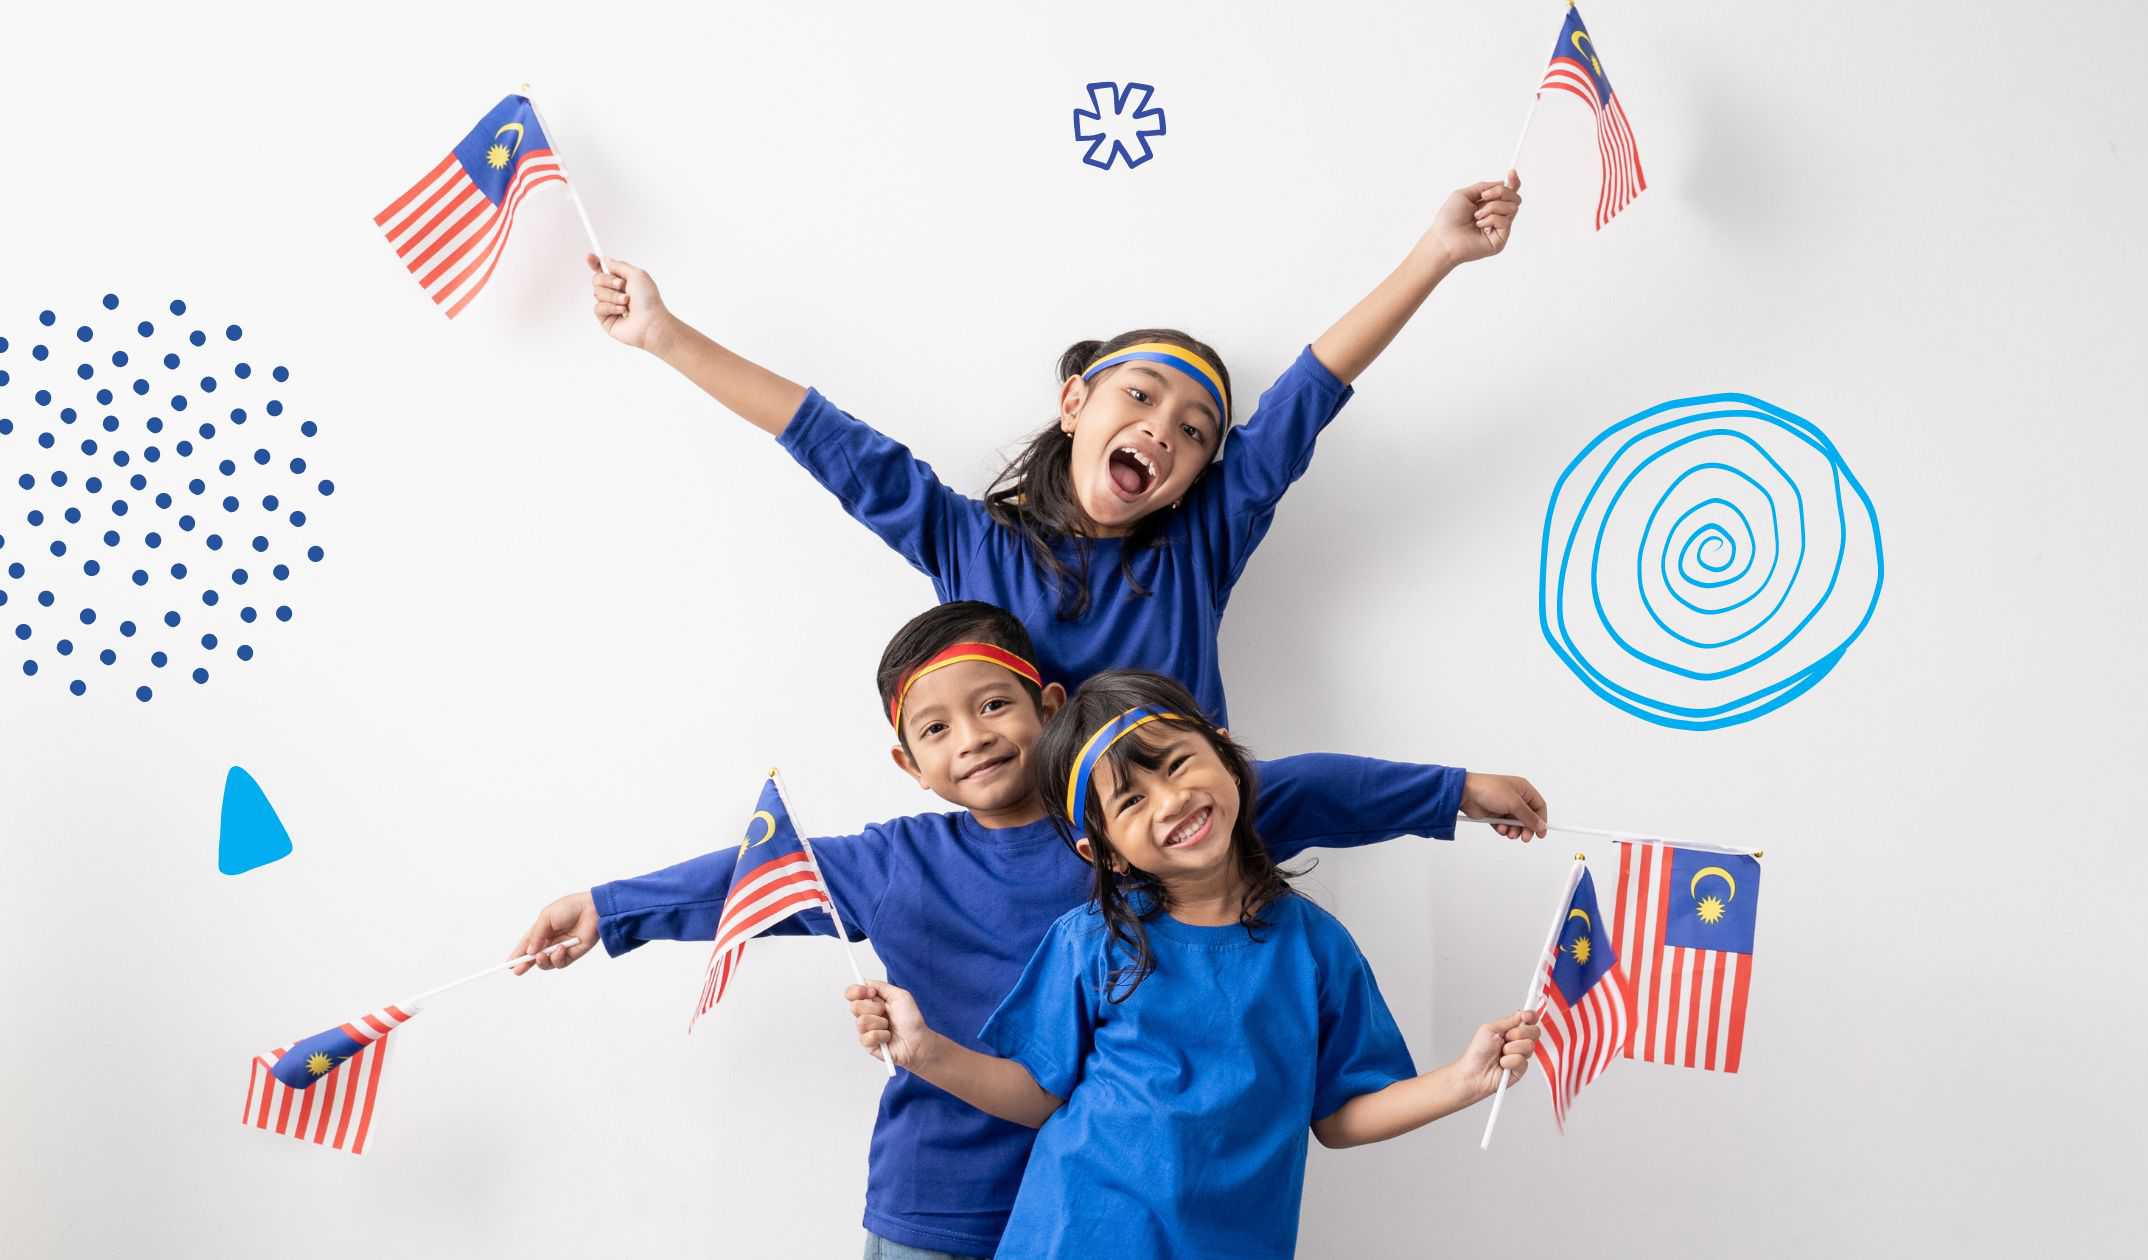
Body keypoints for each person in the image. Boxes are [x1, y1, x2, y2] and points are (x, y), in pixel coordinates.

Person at [513, 602, 1547, 1259]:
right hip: (944, 1201)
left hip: (1130, 1213)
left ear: (1043, 707)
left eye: (994, 705)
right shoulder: (906, 861)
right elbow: (758, 879)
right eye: (936, 728)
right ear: (907, 765)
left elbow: (1313, 785)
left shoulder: (1141, 813)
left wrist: (1456, 791)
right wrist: (609, 909)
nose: (972, 738)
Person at [582, 174, 1525, 724]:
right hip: (1033, 883)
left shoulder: (1198, 548)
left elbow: (1308, 396)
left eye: (1196, 432)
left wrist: (1436, 253)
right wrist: (666, 336)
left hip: (1186, 877)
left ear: (1199, 474)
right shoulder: (972, 548)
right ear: (1076, 402)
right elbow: (831, 442)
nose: (1164, 428)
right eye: (1142, 397)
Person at [846, 669, 1542, 1258]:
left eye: (1177, 764)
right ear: (1106, 852)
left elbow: (1340, 1116)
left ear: (1228, 756)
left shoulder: (1317, 948)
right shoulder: (1089, 942)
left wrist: (1464, 1080)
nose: (1172, 800)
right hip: (1071, 1239)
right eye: (1130, 800)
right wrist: (924, 1051)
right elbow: (1036, 1092)